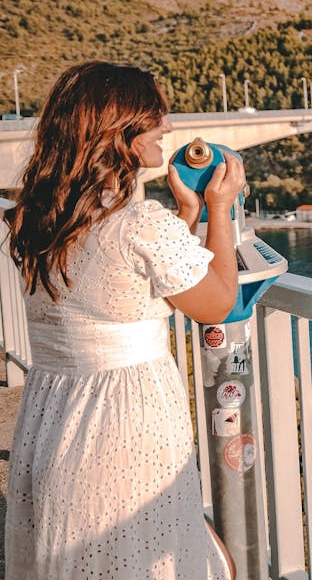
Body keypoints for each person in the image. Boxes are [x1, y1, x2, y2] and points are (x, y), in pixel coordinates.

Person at [4, 61, 243, 579]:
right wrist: (219, 208)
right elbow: (218, 303)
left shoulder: (38, 216)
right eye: (156, 115)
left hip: (55, 414)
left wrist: (185, 221)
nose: (169, 127)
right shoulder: (138, 222)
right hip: (124, 421)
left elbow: (117, 284)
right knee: (140, 552)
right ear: (122, 131)